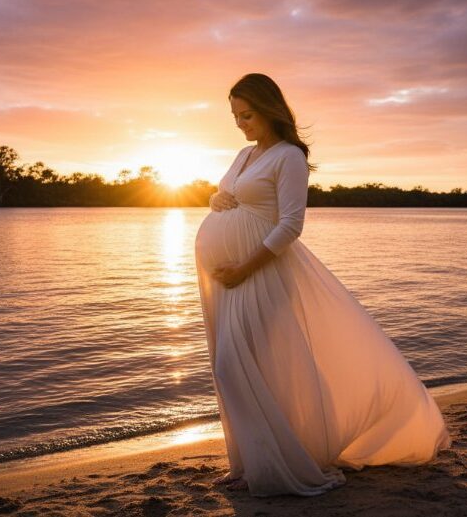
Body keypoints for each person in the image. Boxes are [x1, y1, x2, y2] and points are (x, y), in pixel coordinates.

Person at [194, 73, 452, 497]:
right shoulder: (244, 154)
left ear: (270, 109)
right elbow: (225, 195)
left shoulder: (288, 156)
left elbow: (291, 225)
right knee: (243, 370)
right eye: (235, 116)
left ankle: (278, 462)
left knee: (234, 365)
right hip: (229, 280)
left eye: (247, 114)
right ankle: (246, 464)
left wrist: (245, 267)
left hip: (261, 275)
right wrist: (215, 201)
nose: (240, 123)